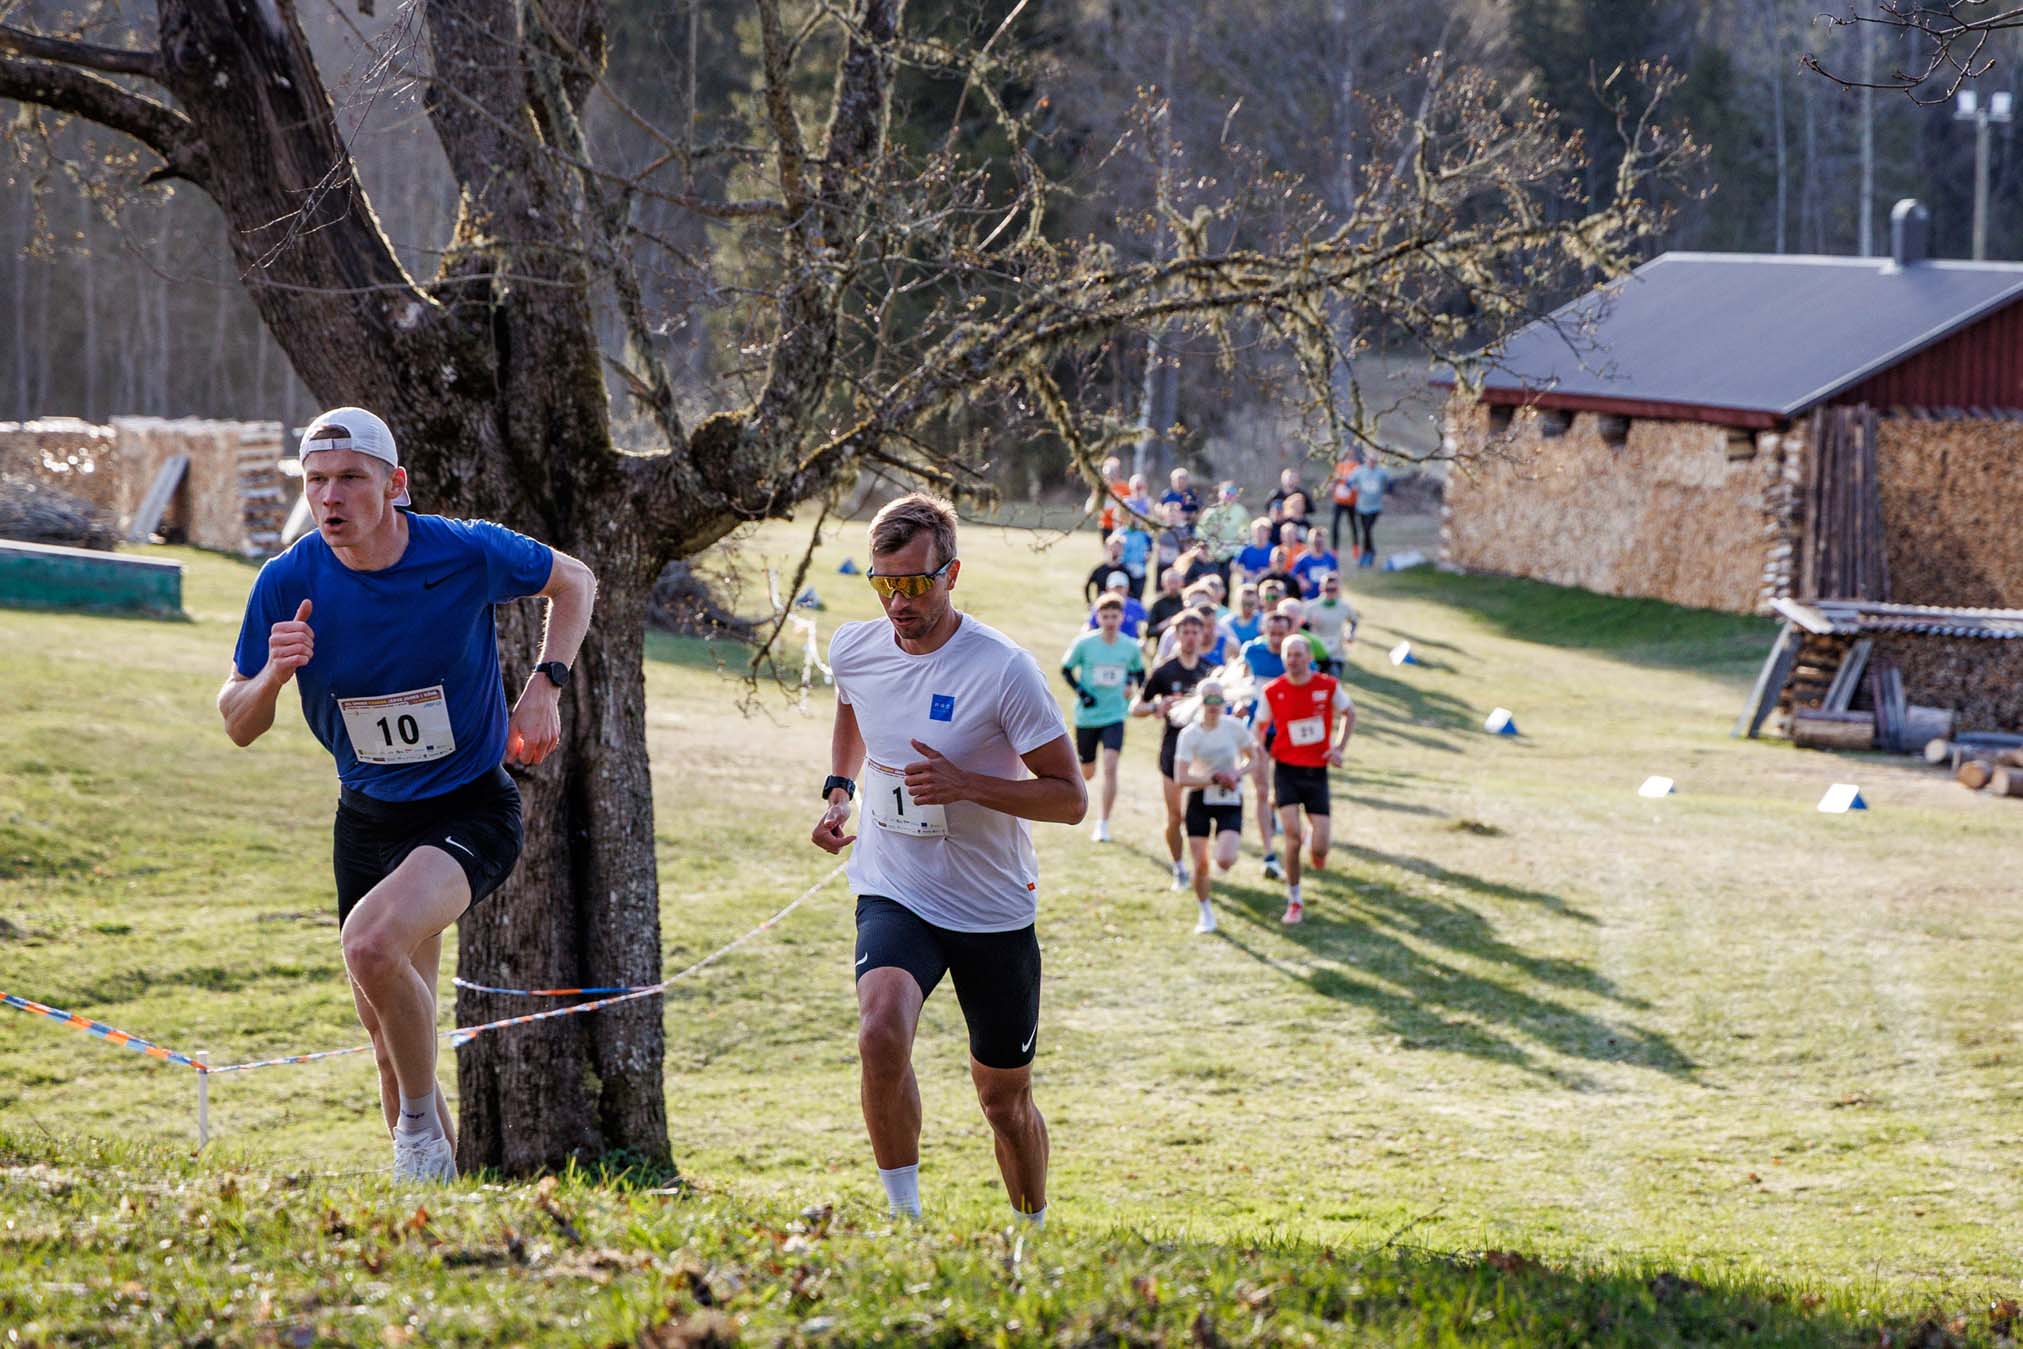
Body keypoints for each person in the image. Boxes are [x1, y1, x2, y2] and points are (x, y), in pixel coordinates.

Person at [218, 406, 598, 1183]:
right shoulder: (287, 580)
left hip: (468, 807)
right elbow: (238, 723)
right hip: (367, 818)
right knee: (389, 1044)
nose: (330, 497)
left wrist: (545, 685)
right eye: (315, 480)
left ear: (395, 484)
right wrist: (273, 675)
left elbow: (576, 580)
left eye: (350, 478)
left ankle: (418, 1135)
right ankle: (436, 1202)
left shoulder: (460, 549)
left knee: (369, 944)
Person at [812, 493, 1085, 1228]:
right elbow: (854, 706)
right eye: (884, 583)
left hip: (990, 906)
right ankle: (905, 1222)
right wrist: (840, 789)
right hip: (894, 885)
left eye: (914, 583)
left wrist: (968, 786)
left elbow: (1070, 799)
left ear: (951, 574)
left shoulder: (1003, 670)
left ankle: (1033, 1232)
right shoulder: (855, 647)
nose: (898, 601)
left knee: (1003, 1100)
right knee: (879, 1031)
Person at [1250, 634, 1355, 926]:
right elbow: (1259, 726)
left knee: (1320, 848)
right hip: (1286, 770)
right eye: (1288, 655)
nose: (1293, 660)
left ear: (1309, 657)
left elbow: (1349, 713)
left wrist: (1338, 748)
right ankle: (1294, 899)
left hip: (1316, 771)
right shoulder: (1273, 690)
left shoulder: (1327, 686)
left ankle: (1316, 847)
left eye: (1298, 655)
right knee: (1292, 837)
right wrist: (1259, 752)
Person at [1132, 609, 1213, 890]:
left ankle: (1202, 866)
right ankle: (1179, 868)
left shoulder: (1209, 671)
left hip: (1203, 752)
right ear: (1176, 636)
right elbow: (1136, 707)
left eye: (1195, 632)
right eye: (1185, 632)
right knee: (1175, 815)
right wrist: (1157, 705)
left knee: (1200, 814)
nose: (1190, 638)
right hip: (1173, 749)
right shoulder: (1164, 671)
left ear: (1203, 635)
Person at [1062, 593, 1145, 843]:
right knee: (1087, 772)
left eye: (1114, 616)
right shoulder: (1085, 643)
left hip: (1115, 715)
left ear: (1121, 618)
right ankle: (1080, 797)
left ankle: (1103, 823)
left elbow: (1139, 672)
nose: (1110, 621)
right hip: (1087, 716)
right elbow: (1066, 669)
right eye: (1105, 616)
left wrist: (1131, 685)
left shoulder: (1130, 646)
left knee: (1110, 766)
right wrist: (1082, 693)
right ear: (1098, 617)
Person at [1172, 679, 1251, 934]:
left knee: (1225, 860)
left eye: (1218, 699)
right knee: (1200, 864)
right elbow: (1181, 777)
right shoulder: (1190, 734)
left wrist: (1237, 773)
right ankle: (1205, 912)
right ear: (1200, 702)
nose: (1214, 704)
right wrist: (1214, 778)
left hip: (1230, 799)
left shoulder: (1234, 728)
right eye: (1209, 699)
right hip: (1200, 799)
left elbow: (1254, 758)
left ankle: (1221, 864)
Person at [1304, 572, 1359, 677]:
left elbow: (1353, 621)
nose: (1330, 593)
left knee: (1333, 680)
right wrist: (1310, 625)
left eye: (1333, 589)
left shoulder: (1344, 607)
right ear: (1321, 588)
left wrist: (1350, 633)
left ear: (1338, 589)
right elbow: (1302, 629)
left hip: (1336, 654)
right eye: (1327, 589)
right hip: (1315, 654)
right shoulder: (1310, 607)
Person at [1196, 482, 1249, 582]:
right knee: (1213, 580)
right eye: (1227, 493)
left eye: (1233, 493)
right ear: (1220, 494)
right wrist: (1211, 532)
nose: (1230, 496)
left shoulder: (1241, 511)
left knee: (1229, 579)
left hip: (1233, 553)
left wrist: (1241, 539)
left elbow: (1246, 531)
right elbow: (1200, 531)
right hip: (1213, 553)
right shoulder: (1211, 511)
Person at [1347, 457, 1392, 567]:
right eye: (1370, 460)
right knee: (1366, 531)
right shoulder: (1359, 471)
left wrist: (1388, 493)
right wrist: (1353, 488)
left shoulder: (1381, 472)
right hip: (1362, 507)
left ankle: (1367, 553)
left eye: (1374, 460)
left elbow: (1390, 483)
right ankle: (1369, 552)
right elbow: (1349, 482)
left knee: (1367, 529)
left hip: (1375, 507)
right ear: (1366, 460)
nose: (1372, 462)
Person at [1086, 572, 1147, 638]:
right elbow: (1090, 626)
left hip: (1129, 642)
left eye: (1121, 588)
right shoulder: (1100, 604)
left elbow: (1146, 623)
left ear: (1127, 588)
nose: (1118, 591)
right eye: (1115, 588)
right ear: (1108, 588)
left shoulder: (1135, 605)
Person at [1290, 529, 1340, 599]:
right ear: (1310, 542)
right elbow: (1292, 574)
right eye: (1315, 542)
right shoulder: (1303, 558)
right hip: (1310, 597)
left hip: (1326, 596)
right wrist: (1302, 581)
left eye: (1320, 542)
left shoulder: (1330, 557)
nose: (1318, 545)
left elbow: (1336, 574)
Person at [1088, 455, 1128, 539]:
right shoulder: (1101, 487)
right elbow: (1092, 504)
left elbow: (1128, 505)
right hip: (1105, 525)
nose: (1112, 474)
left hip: (1120, 525)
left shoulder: (1124, 487)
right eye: (1110, 470)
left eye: (1114, 470)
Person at [1145, 567, 1189, 642]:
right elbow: (1149, 632)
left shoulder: (1186, 601)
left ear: (1182, 583)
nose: (1173, 586)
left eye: (1176, 582)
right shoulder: (1157, 603)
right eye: (1170, 582)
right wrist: (1162, 626)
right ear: (1163, 583)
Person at [1327, 454, 1358, 556]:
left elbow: (1357, 482)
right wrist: (1332, 485)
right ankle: (1334, 549)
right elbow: (1333, 480)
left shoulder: (1356, 466)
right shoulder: (1339, 466)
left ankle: (1355, 547)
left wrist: (1352, 484)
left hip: (1351, 501)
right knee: (1335, 524)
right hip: (1339, 501)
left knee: (1353, 525)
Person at [1084, 534, 1127, 605]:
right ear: (1107, 549)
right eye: (1112, 547)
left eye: (1118, 547)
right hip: (1102, 606)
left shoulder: (1125, 571)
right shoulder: (1099, 570)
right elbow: (1087, 585)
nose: (1115, 550)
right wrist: (1089, 602)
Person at [1116, 517, 1151, 599]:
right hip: (1123, 568)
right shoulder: (1121, 532)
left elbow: (1149, 549)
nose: (1133, 520)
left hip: (1139, 568)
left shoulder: (1144, 534)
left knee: (1137, 595)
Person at [1220, 583, 1265, 648]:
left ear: (1258, 601)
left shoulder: (1263, 621)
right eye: (1244, 603)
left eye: (1250, 604)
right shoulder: (1227, 621)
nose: (1247, 607)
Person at [1235, 518, 1275, 586]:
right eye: (1257, 531)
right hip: (1249, 584)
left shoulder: (1273, 549)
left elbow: (1278, 567)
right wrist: (1246, 573)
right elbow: (1234, 565)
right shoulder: (1246, 548)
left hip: (1267, 584)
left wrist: (1268, 571)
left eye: (1263, 531)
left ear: (1269, 533)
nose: (1259, 534)